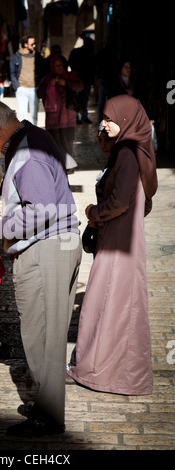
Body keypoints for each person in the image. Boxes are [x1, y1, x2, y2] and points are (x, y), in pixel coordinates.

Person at [0, 99, 82, 436]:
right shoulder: (30, 139)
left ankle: (49, 418)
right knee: (38, 330)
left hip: (49, 247)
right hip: (49, 245)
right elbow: (18, 200)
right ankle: (46, 404)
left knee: (44, 335)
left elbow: (39, 212)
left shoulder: (28, 154)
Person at [66, 95, 158, 395]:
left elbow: (119, 201)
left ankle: (101, 372)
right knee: (116, 304)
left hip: (119, 241)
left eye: (108, 118)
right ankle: (113, 371)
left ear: (127, 120)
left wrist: (94, 213)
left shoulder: (128, 155)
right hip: (120, 238)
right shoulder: (131, 150)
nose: (103, 124)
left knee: (108, 303)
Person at [37, 55, 84, 172]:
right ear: (52, 67)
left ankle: (69, 166)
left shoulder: (69, 77)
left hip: (69, 118)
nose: (59, 68)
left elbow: (80, 86)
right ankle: (60, 165)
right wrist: (50, 85)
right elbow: (39, 94)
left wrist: (66, 83)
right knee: (55, 143)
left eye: (61, 65)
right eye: (56, 66)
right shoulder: (47, 79)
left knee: (68, 142)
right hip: (54, 119)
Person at [9, 34, 45, 125]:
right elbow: (12, 72)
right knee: (22, 115)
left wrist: (39, 85)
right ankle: (23, 135)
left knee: (34, 115)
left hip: (34, 89)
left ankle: (34, 134)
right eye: (32, 44)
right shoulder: (16, 57)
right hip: (22, 89)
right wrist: (17, 87)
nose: (34, 46)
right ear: (25, 45)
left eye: (34, 44)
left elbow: (42, 71)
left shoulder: (37, 57)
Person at [68, 36, 95, 124]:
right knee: (83, 99)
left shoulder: (76, 52)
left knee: (77, 98)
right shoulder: (90, 53)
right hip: (83, 80)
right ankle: (83, 116)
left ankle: (77, 117)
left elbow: (70, 62)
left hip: (77, 79)